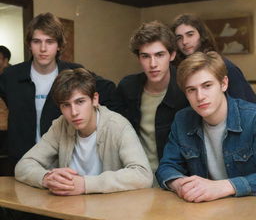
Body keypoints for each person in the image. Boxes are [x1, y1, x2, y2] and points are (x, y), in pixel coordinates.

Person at [0, 12, 115, 174]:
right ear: (29, 44)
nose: (43, 48)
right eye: (36, 41)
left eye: (50, 41)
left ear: (59, 45)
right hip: (20, 162)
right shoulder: (11, 76)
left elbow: (109, 90)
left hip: (61, 162)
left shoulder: (73, 72)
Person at [15, 68, 153, 194]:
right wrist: (46, 178)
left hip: (109, 209)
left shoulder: (118, 126)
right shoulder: (60, 125)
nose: (74, 112)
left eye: (80, 102)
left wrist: (85, 184)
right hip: (68, 209)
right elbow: (23, 165)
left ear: (94, 99)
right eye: (66, 105)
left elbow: (143, 175)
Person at [156, 51, 256, 202]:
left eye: (207, 86)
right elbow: (167, 166)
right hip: (204, 210)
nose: (200, 97)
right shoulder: (182, 119)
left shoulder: (252, 118)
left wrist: (224, 186)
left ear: (224, 83)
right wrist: (180, 185)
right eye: (191, 90)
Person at [113, 21, 188, 185]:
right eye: (145, 56)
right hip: (137, 178)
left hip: (178, 179)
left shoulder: (187, 88)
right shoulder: (128, 87)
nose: (153, 64)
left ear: (172, 55)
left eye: (160, 55)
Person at [171, 13, 256, 103]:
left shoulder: (225, 66)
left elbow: (246, 107)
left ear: (202, 36)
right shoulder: (179, 70)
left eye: (190, 34)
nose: (184, 41)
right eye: (179, 38)